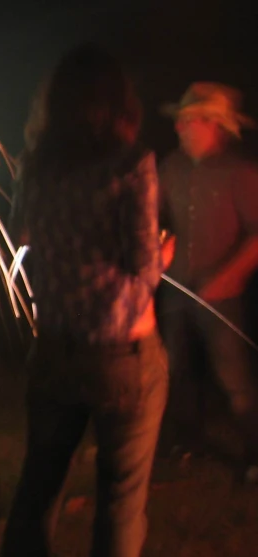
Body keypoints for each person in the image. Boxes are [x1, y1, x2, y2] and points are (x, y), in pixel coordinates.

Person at [0, 44, 174, 557]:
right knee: (120, 499)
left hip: (54, 346)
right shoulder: (131, 163)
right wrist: (166, 250)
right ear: (119, 101)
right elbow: (143, 267)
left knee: (39, 488)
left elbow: (20, 241)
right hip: (122, 355)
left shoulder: (34, 167)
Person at [156, 82, 258, 482]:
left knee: (234, 379)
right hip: (177, 289)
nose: (179, 128)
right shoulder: (170, 168)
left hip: (223, 298)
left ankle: (254, 455)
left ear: (214, 125)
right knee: (176, 372)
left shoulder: (241, 173)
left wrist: (226, 278)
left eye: (187, 120)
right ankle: (186, 444)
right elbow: (154, 218)